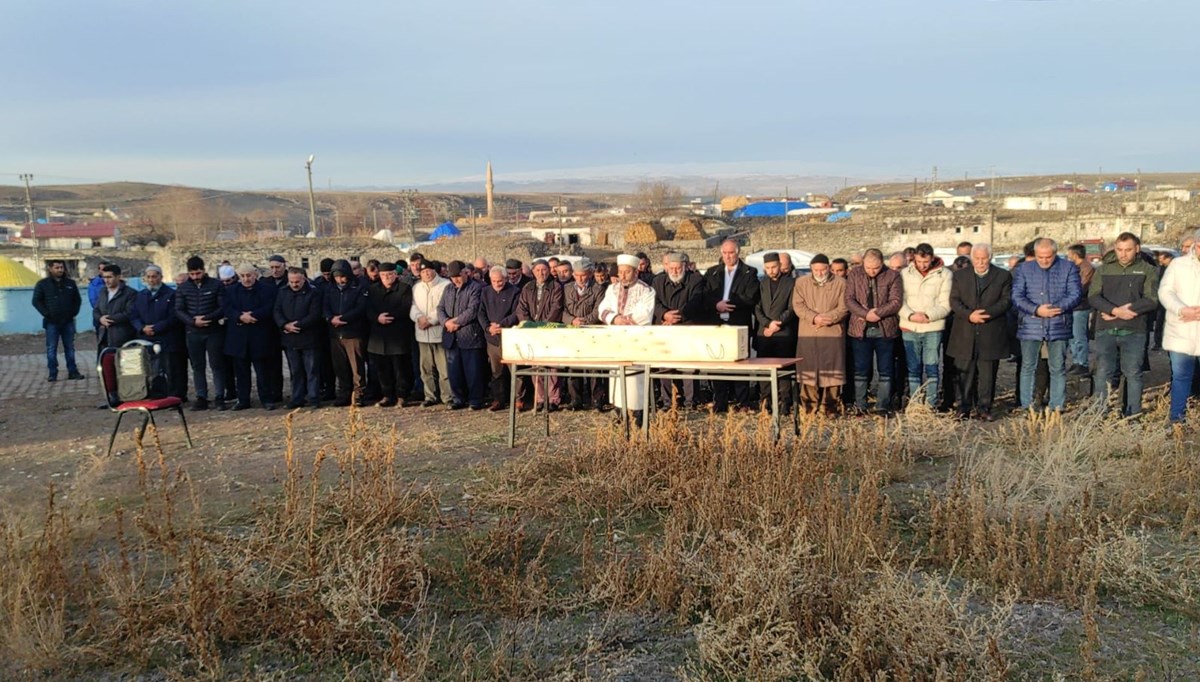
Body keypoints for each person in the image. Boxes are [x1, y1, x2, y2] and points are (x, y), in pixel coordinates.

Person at [1088, 232, 1159, 418]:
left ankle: (1133, 413)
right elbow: (1093, 296)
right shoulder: (1103, 270)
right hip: (1106, 329)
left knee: (1133, 372)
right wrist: (1114, 311)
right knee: (1103, 371)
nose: (1123, 254)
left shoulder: (1147, 270)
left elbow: (1152, 299)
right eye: (1119, 250)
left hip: (1135, 330)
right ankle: (1099, 412)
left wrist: (1130, 309)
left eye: (1128, 250)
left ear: (1136, 249)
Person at [1011, 238, 1082, 413]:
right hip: (1030, 325)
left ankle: (1056, 405)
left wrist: (1055, 309)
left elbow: (1075, 294)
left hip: (1058, 323)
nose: (1044, 260)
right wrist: (1036, 310)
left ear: (1055, 253)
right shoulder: (1024, 269)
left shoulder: (1068, 268)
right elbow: (1017, 296)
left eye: (1048, 257)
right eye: (1040, 257)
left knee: (1057, 367)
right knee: (1028, 366)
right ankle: (1026, 405)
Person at [946, 244, 1012, 421]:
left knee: (987, 374)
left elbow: (1006, 300)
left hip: (991, 330)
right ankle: (963, 407)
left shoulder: (1003, 275)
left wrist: (986, 314)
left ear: (990, 257)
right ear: (972, 258)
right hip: (965, 331)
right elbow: (954, 300)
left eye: (984, 258)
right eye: (977, 258)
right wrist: (969, 315)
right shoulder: (959, 276)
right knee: (963, 372)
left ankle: (984, 408)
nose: (981, 262)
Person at [702, 239, 760, 412]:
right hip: (717, 324)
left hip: (737, 323)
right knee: (718, 362)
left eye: (731, 253)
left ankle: (743, 402)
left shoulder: (749, 272)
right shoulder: (712, 273)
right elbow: (704, 295)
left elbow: (750, 296)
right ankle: (720, 401)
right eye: (725, 253)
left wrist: (728, 304)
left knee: (740, 363)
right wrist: (716, 305)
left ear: (738, 252)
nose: (728, 256)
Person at [598, 254, 656, 422]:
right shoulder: (612, 289)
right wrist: (615, 319)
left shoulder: (646, 290)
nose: (622, 275)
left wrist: (625, 320)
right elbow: (603, 308)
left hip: (636, 340)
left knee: (635, 379)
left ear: (635, 272)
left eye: (627, 272)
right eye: (621, 272)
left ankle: (637, 415)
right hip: (617, 339)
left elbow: (645, 314)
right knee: (617, 376)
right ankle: (619, 411)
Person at [845, 248, 902, 415]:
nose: (872, 271)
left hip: (885, 329)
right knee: (860, 369)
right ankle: (860, 405)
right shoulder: (855, 274)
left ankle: (883, 405)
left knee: (885, 370)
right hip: (860, 330)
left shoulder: (892, 275)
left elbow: (896, 301)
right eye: (868, 267)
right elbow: (849, 299)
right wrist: (865, 314)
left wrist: (877, 313)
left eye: (876, 268)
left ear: (881, 263)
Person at [792, 254, 848, 414]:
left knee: (832, 370)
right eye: (816, 269)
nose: (820, 272)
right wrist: (814, 317)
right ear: (811, 269)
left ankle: (830, 407)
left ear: (829, 268)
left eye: (823, 269)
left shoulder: (841, 283)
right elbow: (798, 305)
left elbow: (844, 306)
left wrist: (830, 318)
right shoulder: (801, 283)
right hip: (808, 331)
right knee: (808, 369)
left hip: (832, 331)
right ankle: (809, 407)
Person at [898, 243, 952, 406]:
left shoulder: (945, 274)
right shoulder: (904, 274)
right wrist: (911, 315)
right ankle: (915, 403)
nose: (922, 265)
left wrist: (929, 316)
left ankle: (931, 403)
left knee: (932, 366)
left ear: (932, 258)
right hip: (910, 326)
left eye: (926, 262)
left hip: (932, 327)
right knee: (913, 368)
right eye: (919, 262)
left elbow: (946, 303)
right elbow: (899, 300)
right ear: (914, 258)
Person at [652, 252, 705, 408]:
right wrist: (664, 314)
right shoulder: (658, 281)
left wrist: (677, 317)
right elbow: (654, 302)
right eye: (672, 268)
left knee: (688, 365)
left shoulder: (695, 280)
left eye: (678, 268)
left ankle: (691, 400)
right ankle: (668, 400)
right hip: (665, 327)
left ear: (685, 267)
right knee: (665, 365)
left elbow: (696, 301)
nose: (675, 272)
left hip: (687, 326)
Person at [1158, 230, 1200, 424]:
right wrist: (1182, 310)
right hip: (1181, 329)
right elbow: (1165, 292)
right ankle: (1177, 420)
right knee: (1181, 376)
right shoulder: (1179, 264)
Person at [176, 256, 228, 411]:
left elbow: (223, 307)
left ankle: (220, 396)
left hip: (213, 330)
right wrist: (192, 321)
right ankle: (201, 397)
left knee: (217, 364)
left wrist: (207, 318)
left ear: (204, 271)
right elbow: (178, 309)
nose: (195, 277)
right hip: (193, 332)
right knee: (197, 366)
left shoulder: (216, 285)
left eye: (198, 273)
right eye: (192, 274)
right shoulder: (183, 288)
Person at [224, 264, 278, 410]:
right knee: (241, 372)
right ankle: (243, 400)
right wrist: (240, 317)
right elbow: (227, 308)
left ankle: (266, 399)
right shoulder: (231, 291)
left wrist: (253, 316)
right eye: (243, 276)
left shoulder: (267, 290)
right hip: (239, 337)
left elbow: (270, 307)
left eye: (249, 275)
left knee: (263, 372)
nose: (246, 279)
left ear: (255, 275)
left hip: (260, 335)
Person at [131, 265, 186, 400]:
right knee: (151, 368)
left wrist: (156, 328)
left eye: (154, 276)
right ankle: (155, 393)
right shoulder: (141, 296)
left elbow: (173, 316)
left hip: (167, 337)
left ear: (160, 277)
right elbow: (133, 315)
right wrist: (142, 328)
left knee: (171, 368)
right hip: (146, 337)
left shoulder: (170, 295)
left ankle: (175, 395)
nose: (151, 280)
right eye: (148, 277)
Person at [517, 260, 565, 411]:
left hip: (549, 331)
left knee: (551, 367)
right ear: (533, 271)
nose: (541, 273)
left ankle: (553, 399)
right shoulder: (528, 287)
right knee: (536, 365)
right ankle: (539, 398)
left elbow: (556, 308)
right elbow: (521, 308)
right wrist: (529, 325)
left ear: (549, 271)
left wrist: (544, 326)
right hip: (532, 333)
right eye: (537, 270)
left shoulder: (556, 287)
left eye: (544, 270)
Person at [366, 262, 416, 408]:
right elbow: (368, 309)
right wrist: (377, 318)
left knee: (401, 368)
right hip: (379, 335)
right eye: (383, 275)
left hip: (398, 333)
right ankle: (387, 395)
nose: (387, 277)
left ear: (395, 274)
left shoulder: (404, 288)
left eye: (389, 274)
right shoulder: (373, 289)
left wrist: (389, 317)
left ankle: (402, 396)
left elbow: (406, 307)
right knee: (382, 368)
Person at [438, 260, 487, 410]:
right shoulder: (448, 289)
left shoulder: (475, 288)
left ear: (465, 273)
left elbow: (473, 310)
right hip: (452, 337)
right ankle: (458, 398)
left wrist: (457, 322)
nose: (456, 280)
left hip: (470, 336)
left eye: (458, 276)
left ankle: (475, 400)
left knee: (473, 372)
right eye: (453, 277)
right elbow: (440, 308)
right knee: (454, 371)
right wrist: (446, 322)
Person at [274, 266, 324, 409]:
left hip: (309, 337)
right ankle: (297, 398)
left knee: (312, 370)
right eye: (291, 281)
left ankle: (314, 398)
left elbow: (315, 314)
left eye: (297, 281)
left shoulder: (314, 293)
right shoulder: (282, 292)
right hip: (290, 338)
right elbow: (276, 310)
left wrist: (298, 325)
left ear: (304, 279)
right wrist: (284, 325)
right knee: (295, 371)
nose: (294, 284)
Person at [754, 252, 798, 412]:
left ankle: (784, 403)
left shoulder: (791, 283)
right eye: (768, 268)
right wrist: (767, 324)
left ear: (779, 266)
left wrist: (777, 323)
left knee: (783, 371)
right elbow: (757, 308)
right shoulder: (761, 284)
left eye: (774, 267)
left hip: (783, 332)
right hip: (764, 333)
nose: (771, 270)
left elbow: (792, 308)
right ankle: (766, 403)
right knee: (764, 369)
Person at [323, 259, 369, 407]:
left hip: (353, 332)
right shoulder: (329, 289)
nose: (340, 280)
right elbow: (325, 307)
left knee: (357, 368)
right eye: (337, 277)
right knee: (340, 367)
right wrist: (330, 318)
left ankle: (359, 395)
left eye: (343, 276)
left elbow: (360, 308)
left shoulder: (358, 287)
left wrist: (343, 318)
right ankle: (344, 394)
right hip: (335, 334)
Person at [563, 260, 607, 410]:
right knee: (574, 366)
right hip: (573, 331)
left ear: (589, 274)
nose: (580, 279)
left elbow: (598, 310)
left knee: (595, 367)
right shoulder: (567, 288)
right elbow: (562, 310)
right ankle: (576, 399)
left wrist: (585, 321)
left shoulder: (598, 289)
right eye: (577, 275)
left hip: (592, 331)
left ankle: (597, 399)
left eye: (583, 276)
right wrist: (572, 320)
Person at [32, 259, 84, 382]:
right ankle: (52, 373)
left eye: (61, 267)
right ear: (50, 269)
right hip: (51, 322)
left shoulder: (70, 283)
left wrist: (73, 312)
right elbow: (36, 301)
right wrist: (47, 313)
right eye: (57, 267)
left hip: (68, 321)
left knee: (70, 348)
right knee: (51, 348)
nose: (60, 270)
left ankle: (73, 372)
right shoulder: (43, 284)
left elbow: (77, 300)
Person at [479, 265, 522, 411]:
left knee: (515, 370)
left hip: (509, 335)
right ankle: (498, 399)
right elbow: (481, 313)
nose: (498, 283)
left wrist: (501, 325)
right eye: (495, 281)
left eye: (501, 280)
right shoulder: (485, 292)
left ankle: (518, 399)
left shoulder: (514, 292)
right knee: (496, 371)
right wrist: (488, 327)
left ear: (505, 278)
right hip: (492, 338)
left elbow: (517, 313)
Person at [411, 260, 453, 407]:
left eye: (428, 270)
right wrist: (419, 318)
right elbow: (413, 307)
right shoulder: (417, 288)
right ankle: (430, 396)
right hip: (422, 334)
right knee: (426, 369)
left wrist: (431, 320)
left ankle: (447, 396)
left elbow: (444, 307)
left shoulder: (445, 285)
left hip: (439, 333)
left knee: (444, 369)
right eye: (423, 272)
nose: (426, 274)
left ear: (434, 271)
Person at [1064, 244, 1094, 375]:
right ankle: (1076, 361)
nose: (1068, 257)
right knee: (1072, 336)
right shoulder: (1075, 268)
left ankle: (1082, 363)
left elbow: (1081, 288)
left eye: (1069, 254)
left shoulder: (1087, 269)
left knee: (1079, 335)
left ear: (1075, 254)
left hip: (1081, 306)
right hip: (1073, 306)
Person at [93, 264, 137, 351]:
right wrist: (100, 319)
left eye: (109, 277)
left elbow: (129, 313)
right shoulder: (103, 291)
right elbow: (96, 309)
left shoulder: (130, 293)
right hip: (104, 336)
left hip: (122, 336)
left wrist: (108, 319)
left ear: (118, 277)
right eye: (104, 277)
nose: (106, 280)